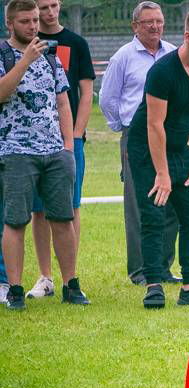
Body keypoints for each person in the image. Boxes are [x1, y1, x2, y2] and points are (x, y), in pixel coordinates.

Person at [126, 9, 189, 309]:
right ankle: (153, 285)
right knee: (154, 214)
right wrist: (162, 173)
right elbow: (154, 125)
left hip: (180, 147)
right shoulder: (163, 71)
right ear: (188, 37)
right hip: (146, 149)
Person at [0, 0, 88, 310]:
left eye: (35, 20)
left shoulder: (52, 57)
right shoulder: (3, 55)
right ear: (10, 24)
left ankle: (70, 284)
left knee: (62, 219)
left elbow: (63, 102)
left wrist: (68, 147)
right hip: (16, 152)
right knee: (16, 221)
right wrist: (24, 61)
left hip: (55, 152)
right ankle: (14, 289)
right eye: (25, 21)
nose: (34, 26)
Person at [99, 1, 179, 286]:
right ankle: (141, 270)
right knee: (139, 204)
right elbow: (107, 99)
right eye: (148, 22)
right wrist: (124, 127)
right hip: (137, 136)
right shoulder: (123, 57)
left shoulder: (173, 54)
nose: (155, 26)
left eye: (159, 21)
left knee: (170, 202)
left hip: (170, 135)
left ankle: (163, 267)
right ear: (135, 26)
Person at [23, 0, 93, 300]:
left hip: (68, 140)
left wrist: (75, 136)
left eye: (53, 5)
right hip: (34, 142)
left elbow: (86, 92)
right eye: (43, 7)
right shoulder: (27, 46)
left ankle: (70, 278)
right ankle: (45, 276)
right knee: (39, 210)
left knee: (70, 207)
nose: (49, 12)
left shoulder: (76, 43)